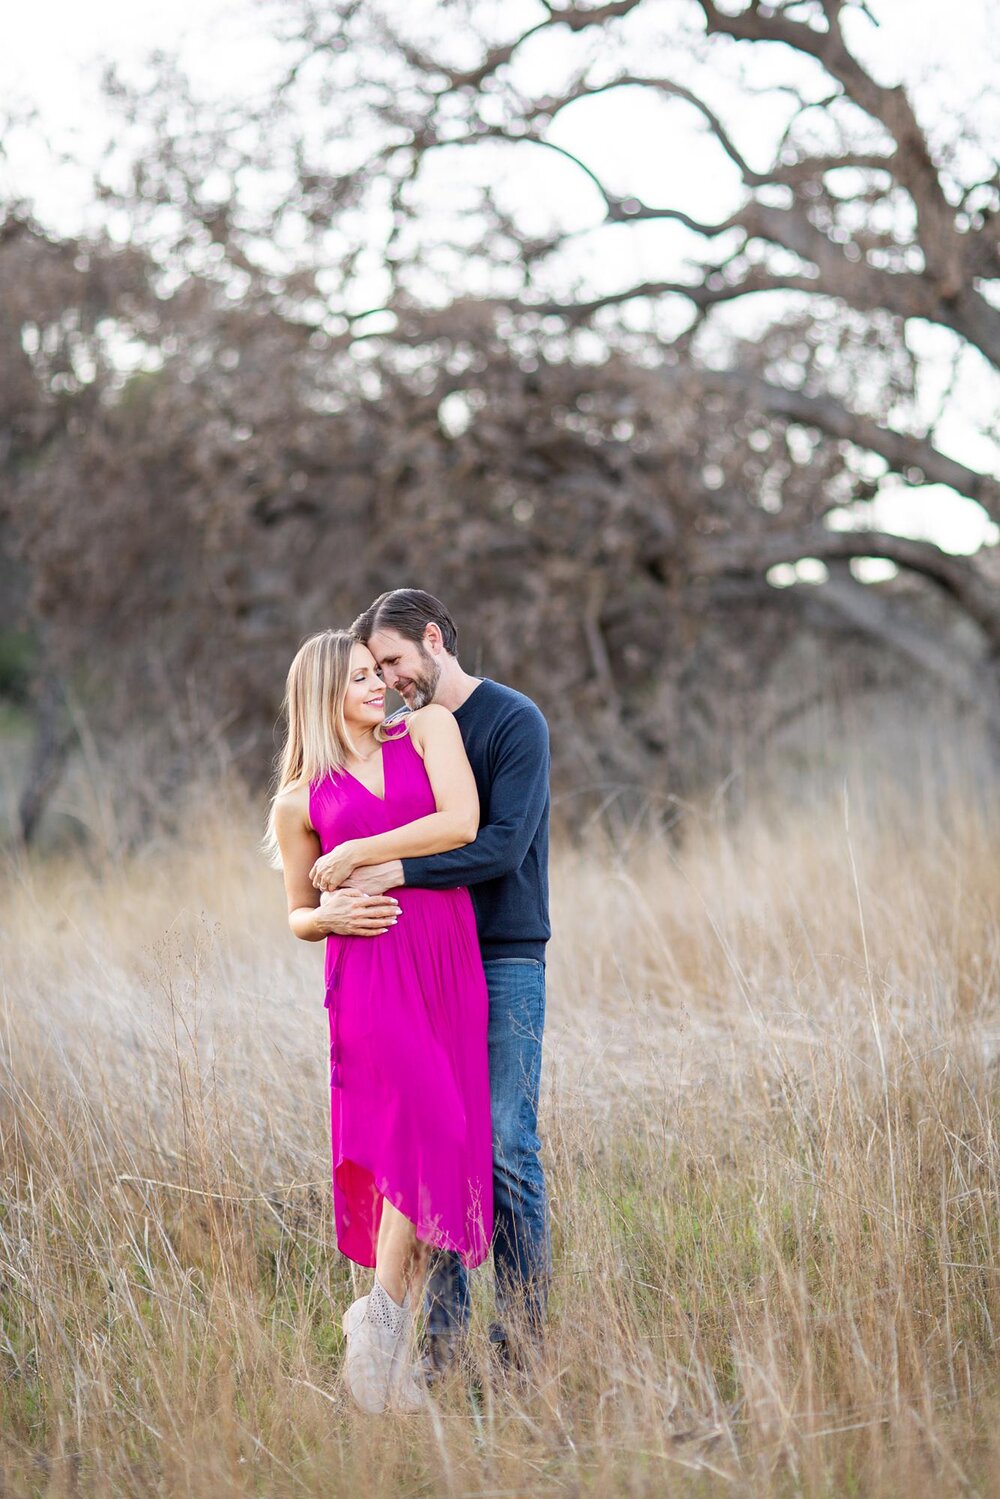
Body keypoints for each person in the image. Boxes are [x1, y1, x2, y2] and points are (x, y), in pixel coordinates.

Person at [314, 589, 551, 1377]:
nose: (386, 680)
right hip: (420, 966)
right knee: (442, 1147)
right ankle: (440, 1350)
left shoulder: (513, 721)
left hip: (504, 953)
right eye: (371, 670)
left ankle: (521, 1349)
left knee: (505, 1146)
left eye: (393, 661)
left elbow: (500, 845)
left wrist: (393, 865)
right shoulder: (394, 737)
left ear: (434, 638)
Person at [264, 629, 493, 1414]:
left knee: (444, 1141)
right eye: (359, 677)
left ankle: (379, 1332)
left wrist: (364, 846)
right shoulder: (298, 799)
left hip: (446, 964)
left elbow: (461, 822)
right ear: (322, 693)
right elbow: (296, 913)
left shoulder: (428, 730)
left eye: (377, 672)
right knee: (425, 1123)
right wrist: (325, 914)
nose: (378, 685)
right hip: (368, 975)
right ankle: (380, 1329)